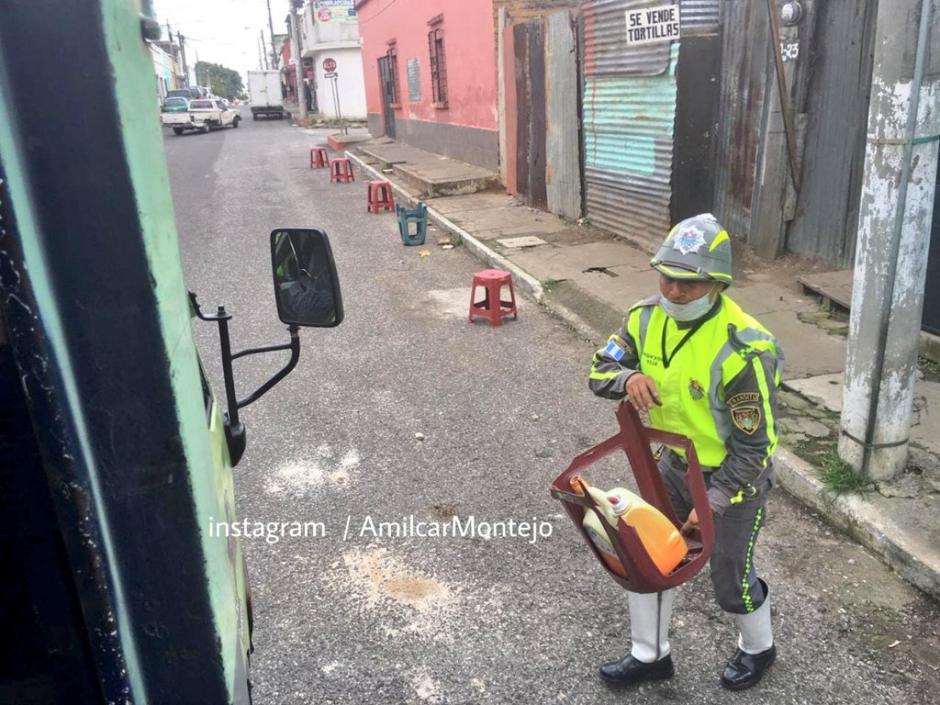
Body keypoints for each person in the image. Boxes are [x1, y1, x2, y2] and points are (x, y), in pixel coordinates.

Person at [588, 213, 783, 691]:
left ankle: (759, 648)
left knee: (730, 574)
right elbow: (598, 371)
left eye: (689, 284)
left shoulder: (745, 348)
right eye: (668, 278)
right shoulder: (642, 319)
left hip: (731, 477)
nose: (674, 292)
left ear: (716, 284)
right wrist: (627, 378)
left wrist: (710, 501)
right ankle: (649, 655)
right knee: (648, 556)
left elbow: (756, 447)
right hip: (671, 467)